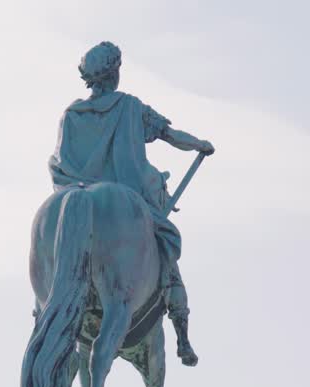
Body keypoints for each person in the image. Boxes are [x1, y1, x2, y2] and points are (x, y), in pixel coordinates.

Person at [47, 41, 213, 365]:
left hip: (72, 196)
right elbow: (169, 134)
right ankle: (182, 337)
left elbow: (59, 161)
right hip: (126, 201)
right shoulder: (131, 107)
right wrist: (200, 144)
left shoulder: (70, 116)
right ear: (115, 73)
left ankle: (44, 311)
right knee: (166, 248)